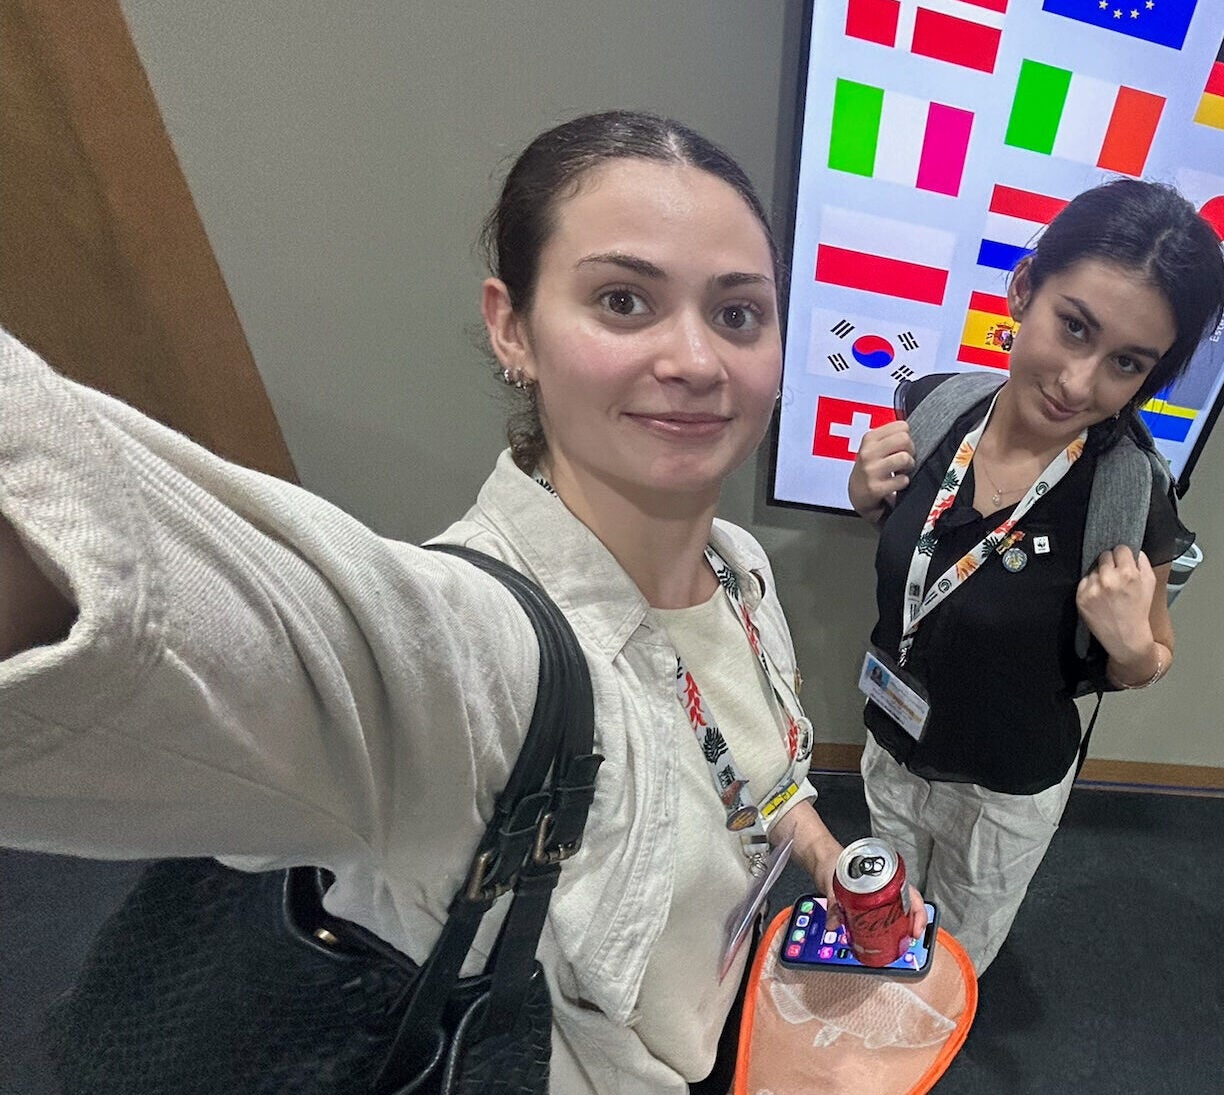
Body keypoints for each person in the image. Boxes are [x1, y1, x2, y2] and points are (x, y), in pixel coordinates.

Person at [0, 110, 921, 1095]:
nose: (697, 361)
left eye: (737, 314)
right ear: (511, 328)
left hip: (715, 1031)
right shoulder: (477, 652)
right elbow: (164, 598)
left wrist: (820, 852)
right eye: (623, 301)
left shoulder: (740, 568)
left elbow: (756, 777)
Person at [846, 178, 1224, 975]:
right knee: (884, 925)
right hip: (892, 739)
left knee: (954, 954)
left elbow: (1152, 656)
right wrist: (865, 497)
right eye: (1074, 326)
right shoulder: (935, 408)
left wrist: (1131, 646)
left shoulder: (1129, 493)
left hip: (1004, 786)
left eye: (1126, 362)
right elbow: (925, 557)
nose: (1079, 383)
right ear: (1024, 289)